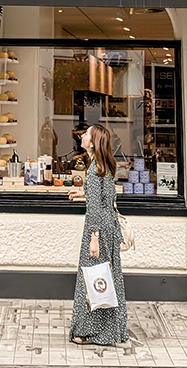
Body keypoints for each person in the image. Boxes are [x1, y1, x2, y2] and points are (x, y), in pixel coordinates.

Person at [68, 124, 129, 346]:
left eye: (86, 134)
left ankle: (89, 331)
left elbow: (94, 207)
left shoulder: (94, 169)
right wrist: (83, 191)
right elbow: (105, 197)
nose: (82, 136)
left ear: (93, 143)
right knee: (108, 278)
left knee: (92, 279)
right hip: (109, 227)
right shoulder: (105, 165)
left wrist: (94, 238)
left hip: (98, 229)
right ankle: (114, 330)